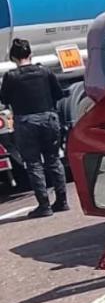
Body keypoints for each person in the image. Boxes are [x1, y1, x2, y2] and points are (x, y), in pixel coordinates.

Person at [0, 39, 68, 218]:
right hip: (48, 118)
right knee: (53, 159)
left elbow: (4, 99)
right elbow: (58, 93)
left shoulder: (11, 77)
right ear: (30, 54)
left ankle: (44, 205)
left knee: (34, 164)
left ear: (13, 57)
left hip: (26, 122)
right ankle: (62, 201)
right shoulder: (45, 71)